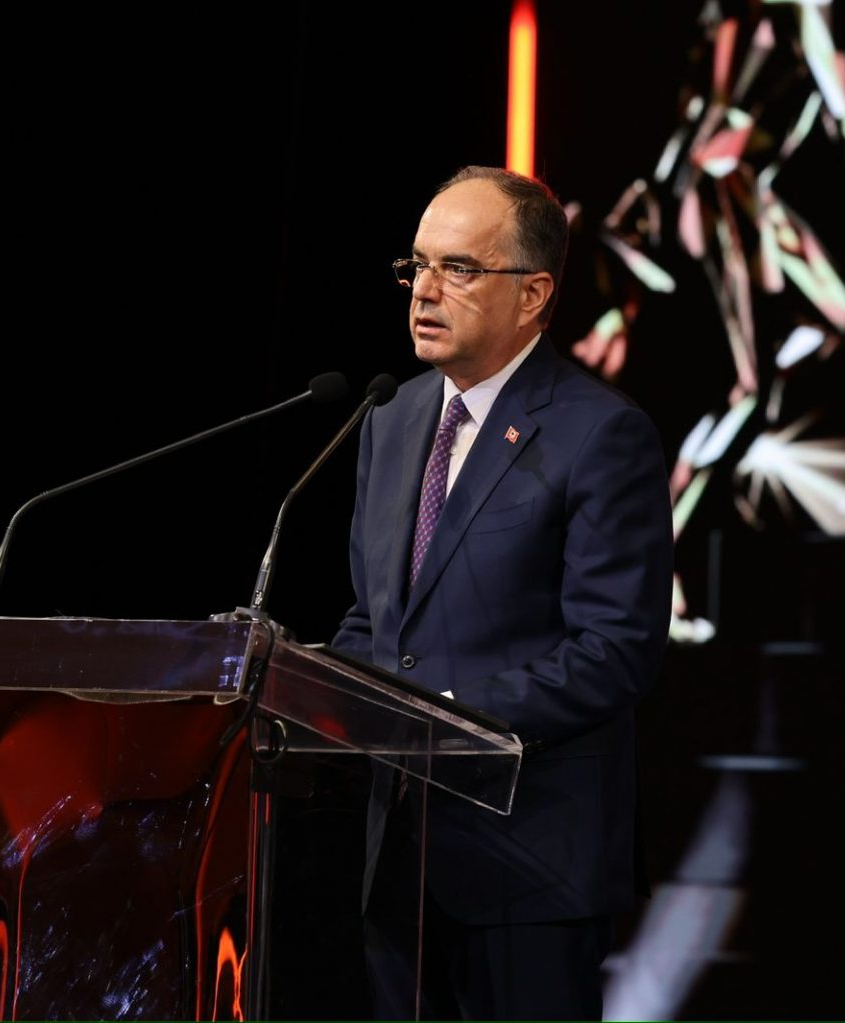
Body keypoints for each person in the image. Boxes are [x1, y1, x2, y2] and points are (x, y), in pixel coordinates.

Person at [331, 166, 673, 1019]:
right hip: (397, 865)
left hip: (529, 866)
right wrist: (312, 692)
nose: (425, 291)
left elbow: (616, 649)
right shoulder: (389, 419)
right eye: (417, 266)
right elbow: (376, 621)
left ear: (534, 294)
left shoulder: (602, 434)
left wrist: (448, 720)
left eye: (458, 268)